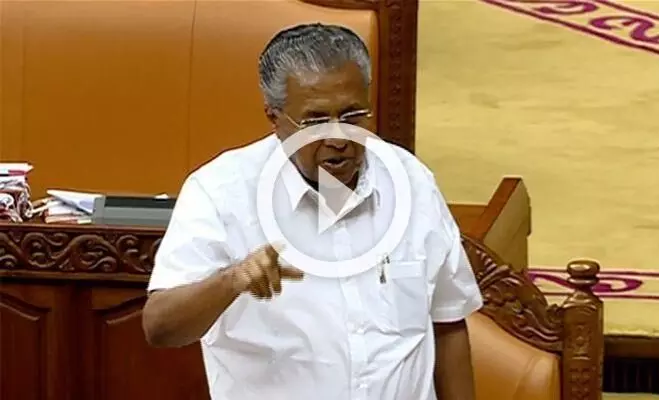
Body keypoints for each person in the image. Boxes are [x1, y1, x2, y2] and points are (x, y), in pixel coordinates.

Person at [142, 23, 482, 400]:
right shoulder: (220, 194)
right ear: (274, 119)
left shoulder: (410, 180)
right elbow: (160, 326)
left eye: (352, 116)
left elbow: (447, 322)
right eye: (316, 121)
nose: (338, 139)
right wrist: (232, 281)